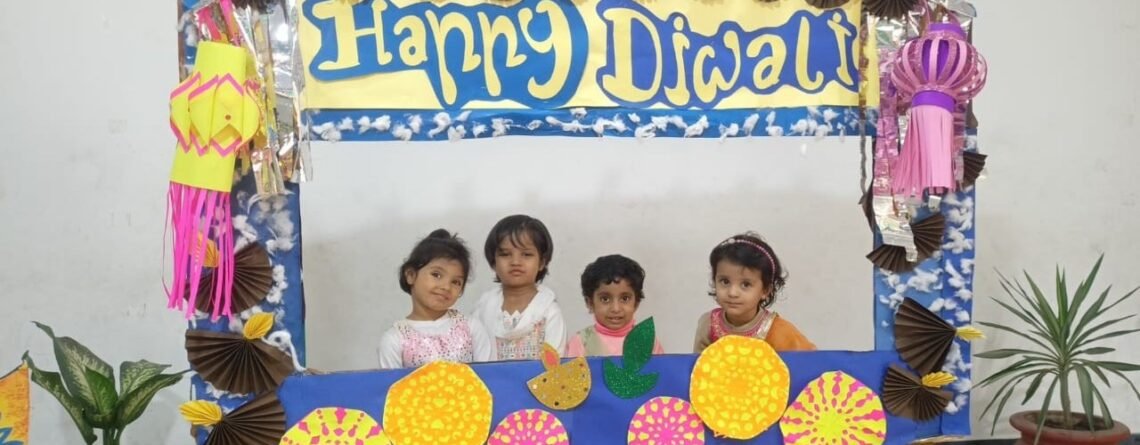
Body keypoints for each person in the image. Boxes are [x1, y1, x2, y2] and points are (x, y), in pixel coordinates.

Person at [378, 229, 494, 368]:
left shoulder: (471, 328)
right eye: (436, 275)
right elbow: (393, 382)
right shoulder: (394, 340)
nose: (446, 287)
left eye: (456, 282)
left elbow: (488, 377)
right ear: (410, 275)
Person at [693, 233, 815, 353]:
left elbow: (811, 359)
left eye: (746, 284)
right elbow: (697, 363)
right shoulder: (708, 324)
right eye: (725, 281)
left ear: (765, 290)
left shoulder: (778, 330)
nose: (732, 293)